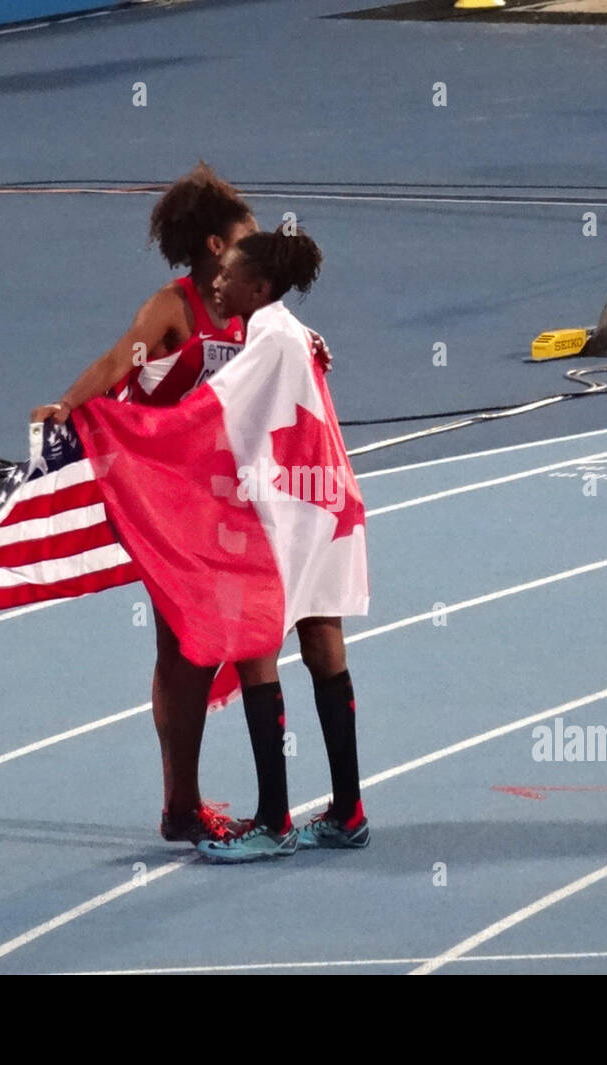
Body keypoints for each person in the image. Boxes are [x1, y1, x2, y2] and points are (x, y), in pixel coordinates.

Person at [30, 163, 256, 845]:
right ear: (216, 245)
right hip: (170, 502)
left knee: (235, 641)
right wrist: (67, 406)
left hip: (234, 497)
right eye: (247, 232)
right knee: (183, 652)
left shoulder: (252, 303)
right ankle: (180, 804)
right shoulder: (172, 308)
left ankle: (196, 802)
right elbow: (115, 365)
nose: (259, 241)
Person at [193, 229, 369, 863]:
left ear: (259, 287)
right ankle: (347, 811)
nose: (217, 280)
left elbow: (206, 417)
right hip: (325, 506)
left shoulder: (268, 339)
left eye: (229, 273)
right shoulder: (288, 331)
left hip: (284, 521)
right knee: (322, 643)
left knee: (256, 652)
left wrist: (122, 432)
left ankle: (273, 823)